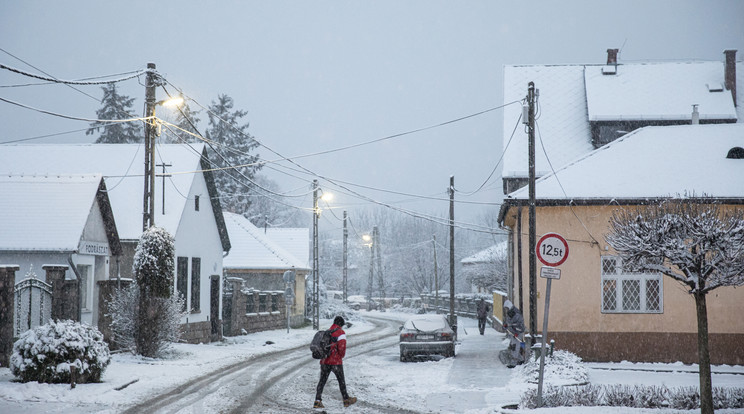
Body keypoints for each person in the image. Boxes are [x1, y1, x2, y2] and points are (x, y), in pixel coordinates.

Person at [314, 316, 357, 409]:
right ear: (341, 324)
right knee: (341, 381)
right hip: (335, 361)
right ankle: (346, 400)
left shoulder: (327, 331)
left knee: (322, 381)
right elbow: (341, 348)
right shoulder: (340, 332)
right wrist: (340, 356)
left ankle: (317, 401)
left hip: (325, 361)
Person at [502, 300, 526, 365]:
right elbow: (508, 322)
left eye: (507, 308)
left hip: (518, 332)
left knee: (515, 347)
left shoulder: (516, 314)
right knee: (513, 346)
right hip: (513, 333)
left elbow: (519, 324)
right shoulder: (510, 313)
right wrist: (506, 325)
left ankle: (514, 363)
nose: (506, 310)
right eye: (505, 308)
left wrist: (516, 332)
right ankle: (521, 360)